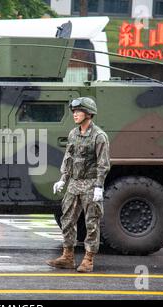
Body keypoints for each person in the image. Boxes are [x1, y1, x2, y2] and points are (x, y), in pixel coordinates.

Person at [47, 97, 110, 273]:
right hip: (74, 184)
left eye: (78, 111)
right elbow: (69, 157)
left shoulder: (99, 136)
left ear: (89, 114)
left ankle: (88, 259)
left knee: (92, 222)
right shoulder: (73, 133)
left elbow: (103, 164)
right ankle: (68, 256)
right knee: (66, 219)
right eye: (74, 111)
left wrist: (99, 186)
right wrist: (62, 179)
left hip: (90, 184)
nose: (75, 114)